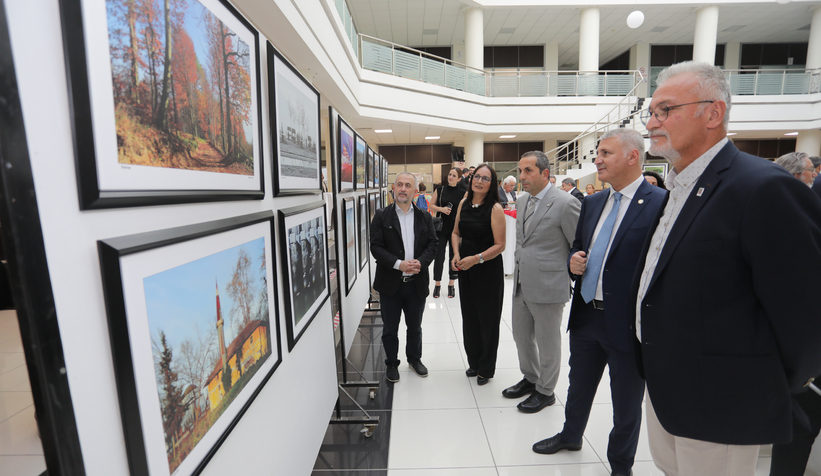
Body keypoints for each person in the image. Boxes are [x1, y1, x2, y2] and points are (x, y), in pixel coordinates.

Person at [635, 61, 821, 476]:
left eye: (665, 110)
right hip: (667, 388)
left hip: (721, 399)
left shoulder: (763, 187)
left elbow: (804, 311)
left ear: (713, 114)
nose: (651, 122)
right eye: (650, 112)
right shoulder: (678, 187)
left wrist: (763, 382)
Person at [532, 129, 667, 476]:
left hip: (628, 322)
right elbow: (577, 249)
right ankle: (571, 435)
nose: (597, 160)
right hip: (587, 315)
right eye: (598, 153)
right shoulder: (592, 203)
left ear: (633, 156)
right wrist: (573, 263)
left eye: (606, 153)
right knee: (579, 385)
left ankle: (621, 464)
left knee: (626, 401)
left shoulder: (658, 204)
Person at [503, 151, 581, 413]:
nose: (521, 177)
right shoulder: (524, 201)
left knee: (548, 342)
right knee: (522, 337)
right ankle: (531, 378)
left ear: (545, 174)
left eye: (528, 171)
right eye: (521, 170)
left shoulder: (565, 202)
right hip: (522, 282)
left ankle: (546, 391)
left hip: (549, 285)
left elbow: (578, 246)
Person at [370, 173, 439, 383]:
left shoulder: (424, 217)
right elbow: (376, 247)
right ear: (393, 188)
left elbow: (433, 244)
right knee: (390, 328)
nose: (403, 188)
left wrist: (422, 261)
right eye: (399, 184)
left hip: (415, 283)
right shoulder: (382, 216)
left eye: (407, 185)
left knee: (415, 326)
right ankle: (392, 362)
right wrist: (398, 264)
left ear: (414, 191)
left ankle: (414, 359)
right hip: (390, 283)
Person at [451, 164, 506, 385]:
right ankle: (473, 362)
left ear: (492, 184)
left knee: (488, 319)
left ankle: (486, 367)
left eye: (486, 178)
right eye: (476, 177)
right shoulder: (463, 203)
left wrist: (477, 258)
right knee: (470, 316)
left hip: (487, 268)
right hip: (465, 267)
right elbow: (455, 232)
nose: (479, 181)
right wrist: (455, 253)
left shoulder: (495, 208)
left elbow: (500, 245)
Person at [429, 168, 464, 298]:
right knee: (439, 256)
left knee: (453, 256)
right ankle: (437, 285)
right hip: (441, 227)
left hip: (455, 228)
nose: (450, 177)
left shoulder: (463, 193)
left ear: (459, 178)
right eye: (450, 174)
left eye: (454, 175)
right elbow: (431, 205)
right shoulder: (440, 190)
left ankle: (451, 284)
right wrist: (442, 209)